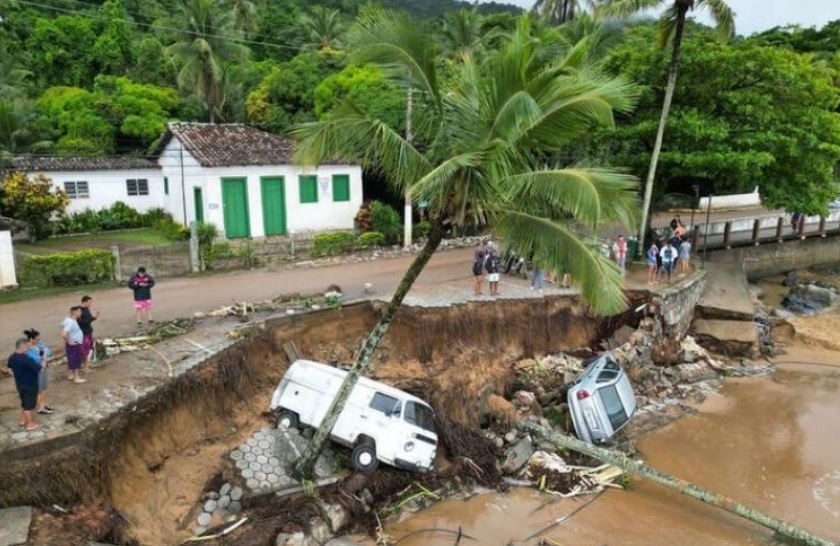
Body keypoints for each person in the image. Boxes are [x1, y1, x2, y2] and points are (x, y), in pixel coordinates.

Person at [6, 338, 42, 431]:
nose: (28, 349)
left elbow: (9, 369)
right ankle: (30, 424)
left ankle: (23, 420)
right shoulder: (27, 360)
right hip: (30, 385)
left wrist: (16, 375)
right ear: (22, 347)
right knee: (29, 406)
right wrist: (43, 361)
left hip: (20, 384)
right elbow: (39, 369)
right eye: (27, 347)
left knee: (24, 402)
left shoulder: (12, 357)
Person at [24, 329, 54, 415]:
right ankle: (40, 408)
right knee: (39, 390)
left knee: (43, 389)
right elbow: (35, 360)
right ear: (31, 339)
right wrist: (44, 357)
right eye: (37, 339)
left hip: (43, 369)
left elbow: (49, 351)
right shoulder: (27, 349)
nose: (39, 341)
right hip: (36, 372)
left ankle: (44, 405)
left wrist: (44, 357)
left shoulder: (39, 344)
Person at [62, 306, 86, 384]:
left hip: (71, 344)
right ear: (74, 312)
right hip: (74, 344)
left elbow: (61, 325)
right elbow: (64, 334)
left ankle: (71, 374)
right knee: (75, 360)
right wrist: (69, 341)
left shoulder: (67, 320)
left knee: (71, 359)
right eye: (79, 311)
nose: (81, 313)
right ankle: (76, 377)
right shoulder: (71, 322)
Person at [78, 295, 99, 370]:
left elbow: (88, 320)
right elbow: (81, 322)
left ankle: (87, 363)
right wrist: (93, 318)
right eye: (89, 302)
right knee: (85, 350)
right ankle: (85, 366)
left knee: (89, 348)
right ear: (84, 302)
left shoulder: (87, 309)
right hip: (83, 333)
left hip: (89, 331)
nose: (91, 304)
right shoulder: (79, 311)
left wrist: (94, 317)